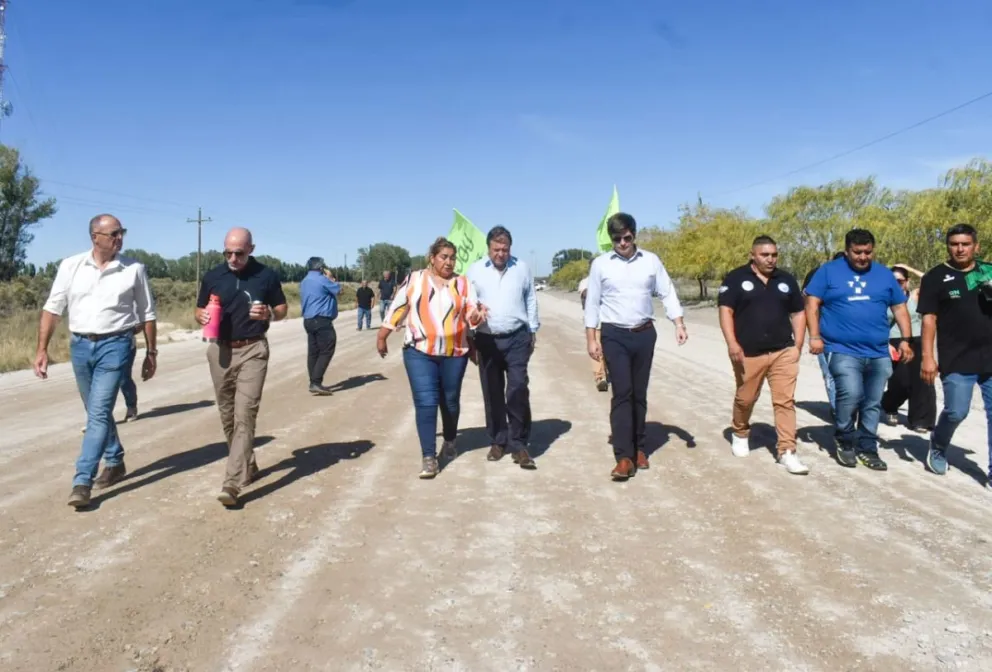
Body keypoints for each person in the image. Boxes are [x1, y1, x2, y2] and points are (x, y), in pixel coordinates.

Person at [34, 214, 158, 508]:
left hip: (116, 345)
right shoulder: (71, 266)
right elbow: (53, 309)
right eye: (114, 233)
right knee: (94, 410)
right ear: (95, 237)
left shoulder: (133, 269)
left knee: (99, 412)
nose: (120, 238)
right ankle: (115, 461)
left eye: (121, 232)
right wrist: (42, 349)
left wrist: (152, 353)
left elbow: (148, 313)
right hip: (79, 345)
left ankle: (82, 480)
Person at [583, 212, 687, 481]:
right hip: (614, 335)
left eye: (627, 237)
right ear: (611, 239)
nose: (622, 243)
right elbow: (592, 303)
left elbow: (667, 291)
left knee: (639, 393)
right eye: (617, 239)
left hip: (644, 334)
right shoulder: (601, 265)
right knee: (622, 393)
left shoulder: (651, 261)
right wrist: (591, 338)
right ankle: (624, 456)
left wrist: (678, 322)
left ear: (634, 235)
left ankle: (640, 447)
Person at [804, 229, 914, 471]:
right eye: (857, 252)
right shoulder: (829, 271)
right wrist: (814, 336)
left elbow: (899, 308)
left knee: (873, 402)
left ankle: (867, 446)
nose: (863, 257)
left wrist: (906, 339)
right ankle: (844, 437)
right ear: (847, 251)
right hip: (841, 348)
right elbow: (811, 303)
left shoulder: (884, 275)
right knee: (851, 394)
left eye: (868, 252)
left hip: (877, 351)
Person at [377, 237, 486, 479]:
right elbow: (398, 306)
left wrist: (478, 316)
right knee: (426, 402)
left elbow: (471, 313)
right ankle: (429, 457)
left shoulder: (464, 283)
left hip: (454, 352)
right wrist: (382, 335)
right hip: (419, 351)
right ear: (432, 258)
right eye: (443, 257)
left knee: (450, 402)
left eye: (452, 257)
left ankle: (449, 439)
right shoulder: (416, 279)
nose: (448, 262)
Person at [196, 228, 288, 507]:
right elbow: (198, 309)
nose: (233, 258)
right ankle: (248, 463)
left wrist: (270, 314)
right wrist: (199, 314)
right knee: (227, 416)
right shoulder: (213, 276)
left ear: (251, 249)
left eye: (239, 253)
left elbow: (283, 308)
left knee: (244, 414)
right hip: (220, 351)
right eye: (228, 252)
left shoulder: (266, 275)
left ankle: (232, 482)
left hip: (253, 349)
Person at [718, 235, 809, 474]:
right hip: (748, 352)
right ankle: (740, 430)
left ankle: (787, 451)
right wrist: (732, 343)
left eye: (774, 255)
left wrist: (797, 345)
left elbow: (799, 313)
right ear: (753, 255)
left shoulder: (786, 279)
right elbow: (726, 311)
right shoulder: (736, 278)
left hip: (782, 351)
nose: (770, 259)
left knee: (785, 401)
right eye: (765, 255)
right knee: (746, 398)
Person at [918, 223, 992, 480]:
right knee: (956, 411)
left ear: (976, 246)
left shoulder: (988, 272)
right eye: (954, 244)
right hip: (957, 357)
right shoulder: (935, 277)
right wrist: (928, 357)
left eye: (965, 244)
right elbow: (929, 320)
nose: (960, 249)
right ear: (948, 246)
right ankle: (938, 444)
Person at [466, 226, 540, 469]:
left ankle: (519, 443)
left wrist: (532, 329)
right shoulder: (475, 270)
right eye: (496, 249)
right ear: (488, 248)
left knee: (518, 388)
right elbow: (467, 303)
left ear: (510, 248)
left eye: (505, 249)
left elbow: (530, 299)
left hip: (517, 337)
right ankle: (498, 440)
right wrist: (470, 334)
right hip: (486, 339)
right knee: (493, 391)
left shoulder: (522, 268)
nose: (500, 254)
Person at [881, 264, 936, 433]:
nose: (896, 284)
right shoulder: (884, 299)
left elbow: (931, 278)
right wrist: (886, 344)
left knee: (923, 381)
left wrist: (908, 267)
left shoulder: (914, 296)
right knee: (901, 381)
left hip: (919, 341)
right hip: (894, 342)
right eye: (893, 280)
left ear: (907, 282)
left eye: (900, 281)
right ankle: (889, 404)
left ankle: (920, 420)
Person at [802, 251, 846, 415]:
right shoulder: (817, 275)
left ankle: (846, 410)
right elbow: (807, 304)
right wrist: (813, 335)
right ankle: (838, 411)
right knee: (831, 374)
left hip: (850, 335)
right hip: (824, 334)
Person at [300, 257, 340, 395]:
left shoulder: (305, 280)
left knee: (314, 352)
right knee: (327, 348)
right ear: (321, 267)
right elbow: (338, 290)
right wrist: (330, 277)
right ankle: (316, 381)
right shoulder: (322, 279)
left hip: (308, 319)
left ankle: (313, 382)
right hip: (321, 319)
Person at [578, 259, 609, 392]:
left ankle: (606, 372)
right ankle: (600, 378)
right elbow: (585, 295)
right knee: (596, 351)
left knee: (608, 351)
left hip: (610, 322)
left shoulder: (608, 280)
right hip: (594, 324)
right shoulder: (585, 282)